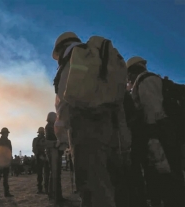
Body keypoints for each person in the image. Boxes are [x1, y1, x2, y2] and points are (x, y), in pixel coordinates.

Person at [52, 32, 129, 207]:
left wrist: (62, 137)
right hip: (112, 129)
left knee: (91, 186)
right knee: (111, 184)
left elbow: (65, 102)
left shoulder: (71, 60)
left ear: (61, 48)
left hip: (85, 131)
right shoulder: (98, 60)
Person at [126, 56, 185, 207]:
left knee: (167, 176)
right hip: (162, 135)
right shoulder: (149, 80)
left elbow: (153, 112)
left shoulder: (145, 80)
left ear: (131, 72)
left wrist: (153, 140)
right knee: (164, 175)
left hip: (160, 136)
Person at [45, 112, 66, 203]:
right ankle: (56, 197)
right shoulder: (50, 127)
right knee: (55, 174)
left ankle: (55, 195)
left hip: (54, 150)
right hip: (53, 150)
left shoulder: (50, 126)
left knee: (55, 173)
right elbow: (55, 138)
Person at [0, 127, 14, 201]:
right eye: (6, 133)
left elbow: (10, 151)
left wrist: (9, 160)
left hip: (6, 162)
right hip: (0, 162)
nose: (7, 134)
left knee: (5, 179)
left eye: (7, 133)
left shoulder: (8, 142)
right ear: (3, 133)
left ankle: (6, 193)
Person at [32, 127, 48, 194]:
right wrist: (39, 155)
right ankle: (40, 188)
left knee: (45, 174)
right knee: (40, 174)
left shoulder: (45, 139)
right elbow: (34, 149)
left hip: (45, 157)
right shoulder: (36, 140)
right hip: (39, 157)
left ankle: (45, 188)